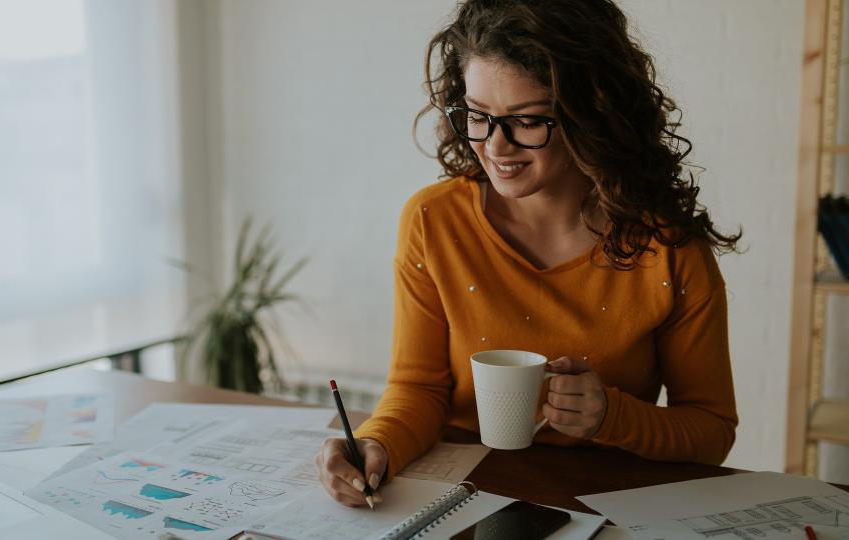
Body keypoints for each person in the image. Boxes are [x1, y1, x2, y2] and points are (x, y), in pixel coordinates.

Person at [316, 0, 741, 508]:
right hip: (458, 497)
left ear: (592, 115)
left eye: (528, 121)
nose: (496, 146)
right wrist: (375, 442)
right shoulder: (433, 221)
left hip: (605, 506)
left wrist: (612, 417)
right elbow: (418, 388)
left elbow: (712, 431)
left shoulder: (668, 247)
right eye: (477, 115)